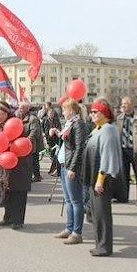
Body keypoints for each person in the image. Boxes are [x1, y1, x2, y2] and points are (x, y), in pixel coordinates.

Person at [82, 98, 124, 257]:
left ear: (104, 113)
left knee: (102, 214)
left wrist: (100, 180)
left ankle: (104, 246)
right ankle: (100, 244)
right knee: (96, 214)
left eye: (95, 112)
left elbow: (107, 156)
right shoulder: (98, 129)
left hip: (102, 179)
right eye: (91, 111)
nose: (92, 114)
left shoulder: (107, 129)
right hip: (95, 178)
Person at [0, 101, 33, 230]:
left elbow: (24, 144)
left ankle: (18, 220)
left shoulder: (16, 124)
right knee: (7, 192)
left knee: (19, 193)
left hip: (20, 165)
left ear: (6, 113)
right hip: (4, 165)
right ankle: (8, 217)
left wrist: (11, 149)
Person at [53, 98, 87, 245]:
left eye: (64, 109)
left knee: (76, 201)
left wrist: (73, 167)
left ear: (72, 110)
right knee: (68, 200)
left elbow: (79, 148)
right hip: (63, 164)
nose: (63, 112)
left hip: (71, 167)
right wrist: (57, 133)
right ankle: (69, 228)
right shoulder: (70, 124)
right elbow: (67, 143)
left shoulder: (78, 124)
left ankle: (77, 232)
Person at [116, 97, 137, 206]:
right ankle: (123, 197)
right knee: (124, 175)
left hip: (136, 150)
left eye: (125, 104)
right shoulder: (120, 118)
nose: (123, 106)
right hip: (123, 149)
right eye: (122, 104)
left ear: (131, 105)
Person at [18, 101, 43, 182]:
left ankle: (36, 176)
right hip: (23, 144)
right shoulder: (19, 117)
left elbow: (34, 131)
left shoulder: (33, 119)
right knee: (29, 162)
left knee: (33, 161)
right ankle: (33, 176)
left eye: (22, 108)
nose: (20, 110)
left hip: (31, 144)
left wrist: (27, 141)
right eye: (19, 108)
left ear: (27, 109)